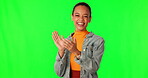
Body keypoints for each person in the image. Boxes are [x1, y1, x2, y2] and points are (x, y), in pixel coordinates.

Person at [52, 2, 105, 78]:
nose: (81, 19)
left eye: (85, 16)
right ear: (72, 17)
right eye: (77, 15)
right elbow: (59, 73)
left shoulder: (98, 41)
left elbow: (93, 68)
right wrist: (61, 50)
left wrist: (76, 51)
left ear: (90, 19)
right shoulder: (67, 42)